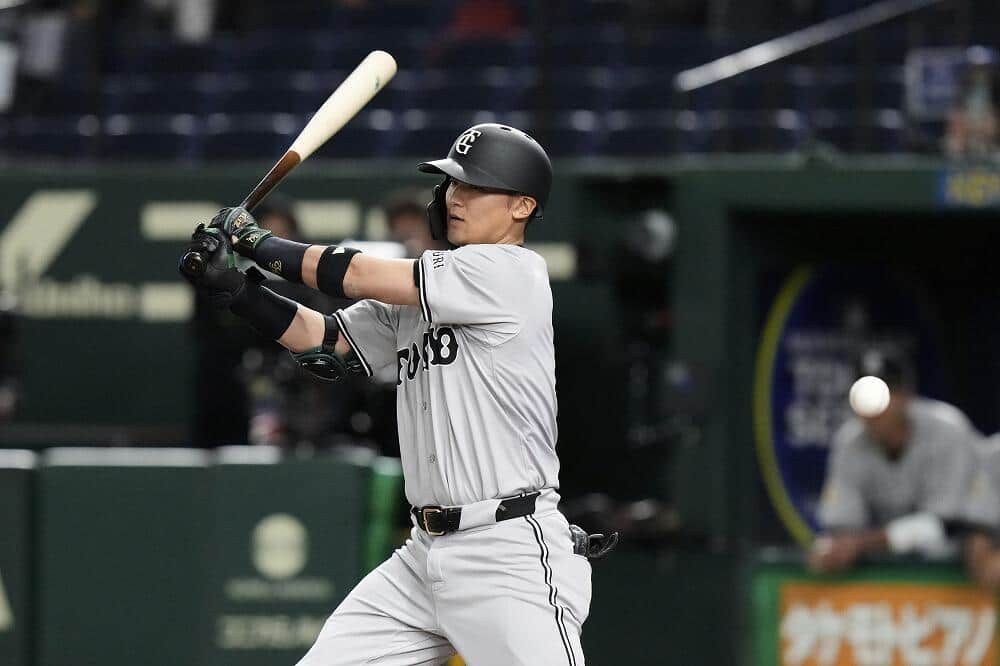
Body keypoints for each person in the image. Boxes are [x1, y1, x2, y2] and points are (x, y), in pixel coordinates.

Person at [180, 123, 616, 665]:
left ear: (522, 206)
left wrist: (257, 242)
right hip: (423, 555)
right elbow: (329, 346)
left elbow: (356, 274)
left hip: (506, 552)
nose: (456, 197)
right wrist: (238, 292)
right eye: (453, 184)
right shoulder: (429, 292)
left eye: (475, 187)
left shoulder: (510, 271)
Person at [809, 349, 979, 573]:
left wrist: (860, 544)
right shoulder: (850, 442)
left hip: (960, 572)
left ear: (907, 395)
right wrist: (834, 548)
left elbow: (948, 526)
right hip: (894, 579)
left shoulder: (948, 431)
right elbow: (841, 525)